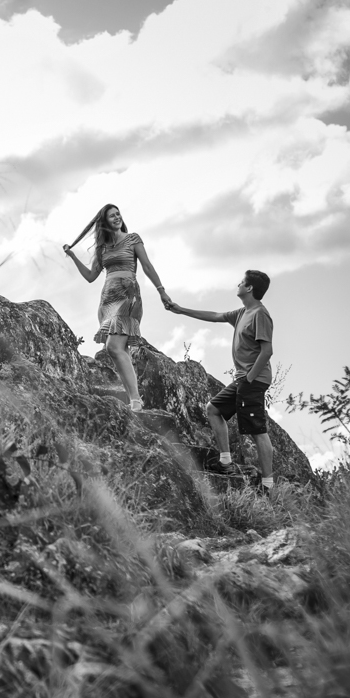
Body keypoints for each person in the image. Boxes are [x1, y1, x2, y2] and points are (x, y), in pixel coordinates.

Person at [166, 270, 276, 495]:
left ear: (249, 288)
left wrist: (250, 377)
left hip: (253, 380)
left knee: (257, 430)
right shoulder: (242, 312)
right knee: (213, 409)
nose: (238, 284)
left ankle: (268, 486)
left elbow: (267, 351)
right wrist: (181, 310)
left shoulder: (260, 314)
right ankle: (225, 462)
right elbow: (215, 315)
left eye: (241, 282)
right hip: (244, 380)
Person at [62, 204, 173, 412]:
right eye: (112, 216)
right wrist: (74, 256)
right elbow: (91, 277)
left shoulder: (132, 239)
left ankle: (136, 400)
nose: (117, 217)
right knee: (118, 350)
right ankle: (134, 400)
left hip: (128, 295)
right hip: (107, 299)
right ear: (104, 222)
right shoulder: (102, 248)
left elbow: (147, 266)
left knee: (113, 347)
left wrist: (161, 291)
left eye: (118, 214)